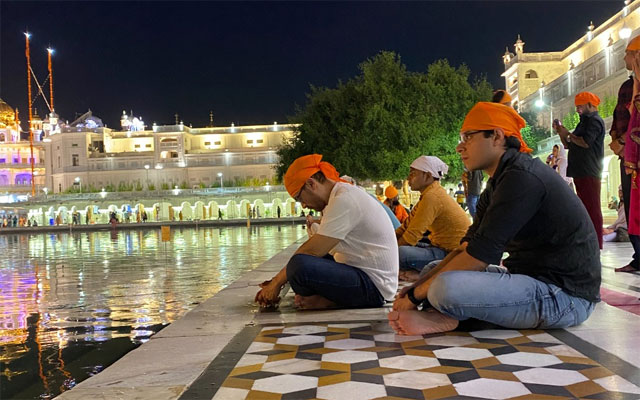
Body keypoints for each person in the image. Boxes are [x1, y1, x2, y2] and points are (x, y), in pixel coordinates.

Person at [388, 102, 600, 335]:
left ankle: (455, 319)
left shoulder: (522, 177)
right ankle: (444, 313)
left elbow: (478, 257)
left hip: (565, 296)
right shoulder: (500, 180)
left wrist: (415, 295)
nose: (460, 147)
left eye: (468, 137)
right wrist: (417, 287)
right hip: (527, 279)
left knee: (444, 287)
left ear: (497, 137)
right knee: (432, 270)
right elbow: (466, 247)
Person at [255, 154, 398, 310]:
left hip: (374, 287)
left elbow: (312, 251)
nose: (303, 205)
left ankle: (331, 300)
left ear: (311, 184)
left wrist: (276, 283)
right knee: (300, 266)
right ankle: (330, 299)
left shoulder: (344, 199)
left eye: (299, 198)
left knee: (298, 267)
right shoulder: (338, 196)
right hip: (366, 276)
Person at [395, 156, 470, 281]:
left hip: (451, 255)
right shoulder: (428, 195)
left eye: (413, 174)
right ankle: (424, 273)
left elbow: (412, 236)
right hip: (439, 248)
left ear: (428, 176)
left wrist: (388, 252)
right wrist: (388, 243)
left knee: (400, 253)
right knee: (398, 250)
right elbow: (406, 226)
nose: (409, 178)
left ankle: (426, 274)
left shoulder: (432, 197)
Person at [554, 92, 605, 249]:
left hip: (589, 169)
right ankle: (587, 239)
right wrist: (562, 134)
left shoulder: (595, 121)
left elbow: (585, 142)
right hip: (580, 169)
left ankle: (596, 242)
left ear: (590, 104)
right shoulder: (583, 122)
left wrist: (568, 134)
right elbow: (571, 144)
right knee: (584, 206)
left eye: (580, 106)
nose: (578, 110)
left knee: (592, 207)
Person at [613, 36, 640, 272]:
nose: (624, 58)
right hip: (628, 155)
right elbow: (619, 116)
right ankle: (638, 256)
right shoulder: (627, 86)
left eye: (627, 53)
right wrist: (617, 140)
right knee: (633, 208)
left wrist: (623, 141)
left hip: (634, 152)